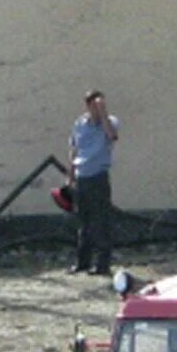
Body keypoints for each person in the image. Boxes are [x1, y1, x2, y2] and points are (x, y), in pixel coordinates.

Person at [69, 88, 119, 275]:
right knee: (84, 221)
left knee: (101, 221)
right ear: (88, 106)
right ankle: (83, 262)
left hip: (98, 176)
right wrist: (71, 174)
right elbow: (74, 149)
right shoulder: (79, 124)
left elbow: (112, 136)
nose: (98, 108)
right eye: (96, 105)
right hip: (82, 176)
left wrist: (103, 114)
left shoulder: (110, 122)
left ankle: (102, 264)